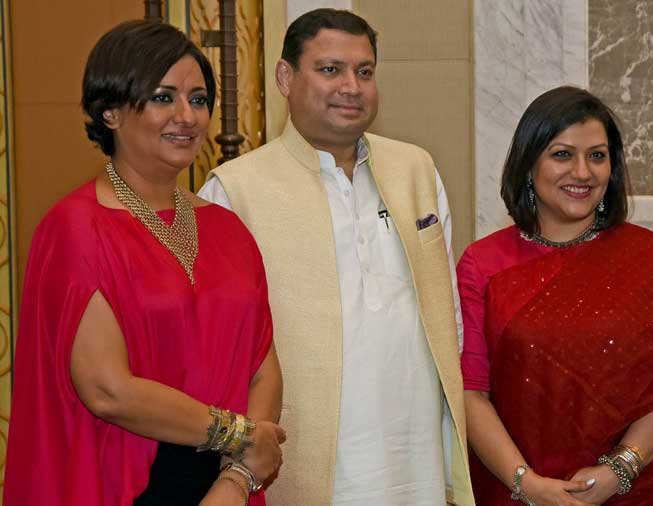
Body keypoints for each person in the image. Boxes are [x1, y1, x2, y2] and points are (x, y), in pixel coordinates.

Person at [197, 8, 474, 506]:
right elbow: (218, 351)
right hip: (304, 463)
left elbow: (446, 316)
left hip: (415, 459)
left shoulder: (416, 169)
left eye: (364, 71)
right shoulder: (233, 191)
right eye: (330, 70)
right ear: (286, 77)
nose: (352, 86)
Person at [4, 20, 285, 506]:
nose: (187, 116)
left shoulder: (228, 230)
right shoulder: (75, 229)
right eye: (162, 97)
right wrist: (238, 435)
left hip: (225, 483)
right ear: (110, 111)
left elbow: (263, 368)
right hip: (122, 480)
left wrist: (236, 479)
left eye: (198, 100)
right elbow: (107, 391)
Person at [456, 85, 653, 506]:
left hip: (622, 493)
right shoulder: (482, 263)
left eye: (597, 156)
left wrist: (621, 468)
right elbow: (470, 392)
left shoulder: (647, 257)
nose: (582, 172)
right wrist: (527, 484)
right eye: (562, 154)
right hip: (512, 492)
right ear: (528, 165)